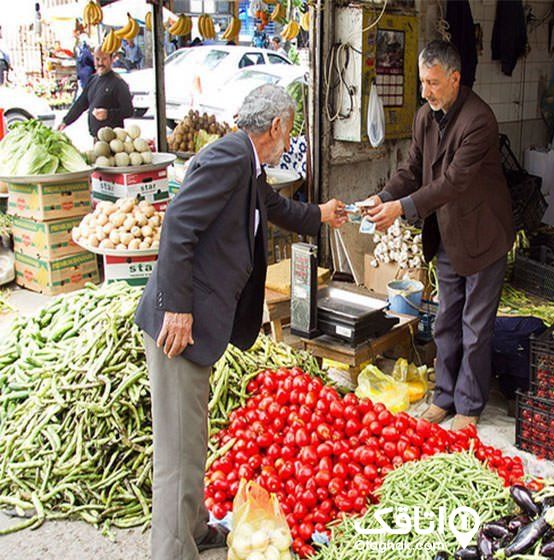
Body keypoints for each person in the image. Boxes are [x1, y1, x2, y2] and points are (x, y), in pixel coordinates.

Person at [134, 84, 346, 560]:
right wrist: (177, 306)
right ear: (276, 127)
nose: (289, 139)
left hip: (198, 322)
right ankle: (172, 552)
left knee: (191, 438)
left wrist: (320, 215)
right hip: (179, 325)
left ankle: (193, 528)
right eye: (290, 130)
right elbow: (178, 225)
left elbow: (273, 207)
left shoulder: (247, 166)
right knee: (177, 451)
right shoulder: (230, 158)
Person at [366, 41, 514, 430]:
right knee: (446, 320)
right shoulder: (424, 118)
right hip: (448, 234)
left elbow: (453, 182)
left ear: (454, 78)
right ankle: (444, 396)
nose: (426, 91)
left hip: (483, 236)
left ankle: (468, 405)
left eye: (433, 82)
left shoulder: (479, 119)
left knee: (476, 326)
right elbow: (412, 169)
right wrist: (383, 196)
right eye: (422, 83)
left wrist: (401, 208)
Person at [59, 46, 132, 138]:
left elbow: (128, 111)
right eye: (97, 59)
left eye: (104, 59)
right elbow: (81, 103)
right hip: (96, 139)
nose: (100, 63)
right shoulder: (93, 79)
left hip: (115, 140)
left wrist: (108, 114)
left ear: (111, 59)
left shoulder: (119, 83)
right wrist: (65, 121)